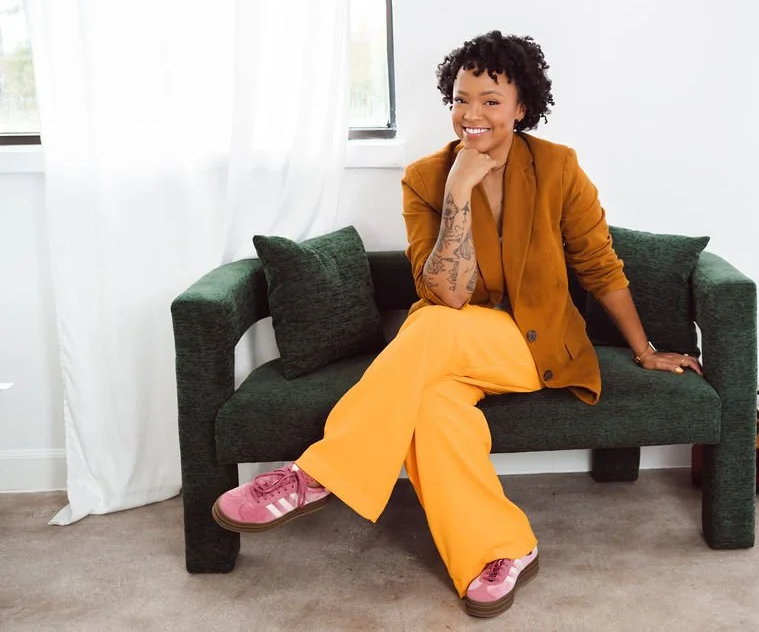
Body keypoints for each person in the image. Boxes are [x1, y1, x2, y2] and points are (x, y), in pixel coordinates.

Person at [212, 30, 703, 618]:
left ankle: (316, 475)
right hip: (451, 345)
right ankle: (502, 551)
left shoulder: (558, 167)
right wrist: (459, 192)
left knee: (430, 331)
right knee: (434, 408)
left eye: (491, 101)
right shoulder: (426, 178)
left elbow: (600, 266)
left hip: (534, 345)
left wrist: (645, 349)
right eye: (462, 98)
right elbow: (446, 292)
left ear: (522, 108)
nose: (472, 114)